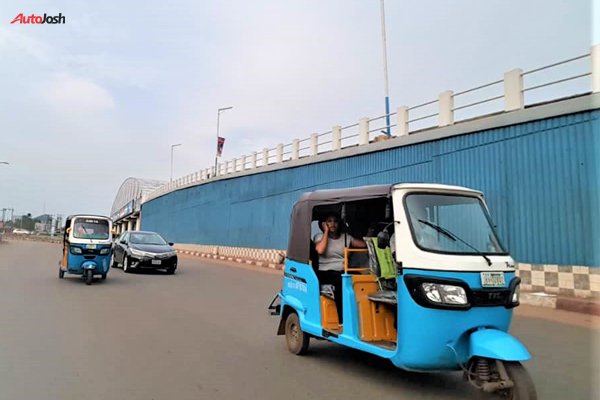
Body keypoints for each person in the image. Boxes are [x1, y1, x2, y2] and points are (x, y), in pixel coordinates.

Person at [314, 212, 366, 324]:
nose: (333, 224)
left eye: (335, 221)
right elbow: (320, 250)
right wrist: (326, 232)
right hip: (325, 272)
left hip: (343, 271)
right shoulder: (320, 236)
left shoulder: (346, 238)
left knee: (361, 280)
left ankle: (362, 317)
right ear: (324, 224)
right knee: (340, 281)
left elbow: (363, 245)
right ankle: (343, 321)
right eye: (329, 221)